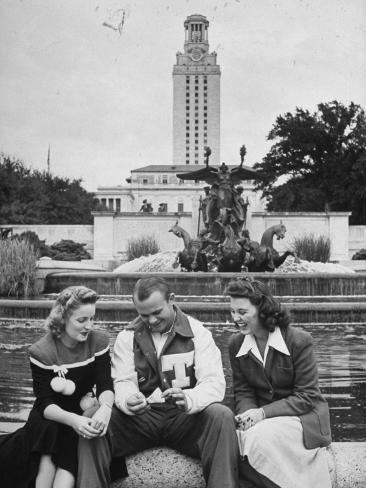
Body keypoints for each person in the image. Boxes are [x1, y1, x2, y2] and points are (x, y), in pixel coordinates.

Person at [77, 276, 240, 488]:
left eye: (157, 312)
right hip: (141, 419)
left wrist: (189, 398)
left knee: (222, 416)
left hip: (186, 419)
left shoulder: (198, 332)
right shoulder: (127, 335)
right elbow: (121, 380)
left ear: (171, 299)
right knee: (92, 418)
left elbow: (214, 382)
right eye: (144, 315)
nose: (152, 320)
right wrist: (128, 400)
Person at [0, 286, 115, 488]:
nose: (90, 326)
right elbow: (44, 403)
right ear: (62, 319)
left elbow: (105, 383)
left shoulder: (99, 341)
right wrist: (73, 420)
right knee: (50, 441)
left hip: (81, 411)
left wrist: (105, 408)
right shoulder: (41, 351)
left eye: (92, 318)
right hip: (50, 416)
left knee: (72, 446)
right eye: (82, 320)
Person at [226, 277, 332, 488]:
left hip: (303, 418)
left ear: (262, 309)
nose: (235, 318)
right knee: (234, 438)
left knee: (258, 438)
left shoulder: (299, 340)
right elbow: (243, 391)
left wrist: (262, 414)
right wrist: (248, 416)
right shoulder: (235, 343)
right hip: (263, 422)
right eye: (232, 311)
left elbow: (307, 396)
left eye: (242, 312)